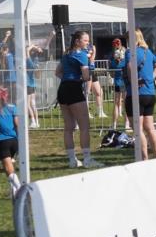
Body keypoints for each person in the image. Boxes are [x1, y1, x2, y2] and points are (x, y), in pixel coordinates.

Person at [55, 30, 102, 168]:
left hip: (63, 88)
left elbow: (57, 72)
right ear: (77, 41)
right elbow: (87, 76)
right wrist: (91, 60)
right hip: (74, 89)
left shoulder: (66, 54)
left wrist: (69, 77)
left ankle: (72, 160)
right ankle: (87, 159)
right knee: (84, 126)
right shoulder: (81, 55)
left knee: (68, 127)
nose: (88, 43)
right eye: (86, 41)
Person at [124, 29, 156, 160]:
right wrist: (150, 78)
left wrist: (132, 80)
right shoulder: (148, 51)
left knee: (138, 129)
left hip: (136, 94)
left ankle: (144, 158)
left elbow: (129, 66)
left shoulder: (130, 52)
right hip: (150, 93)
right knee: (150, 128)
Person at [0, 84, 21, 197]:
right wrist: (20, 141)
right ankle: (13, 191)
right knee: (10, 165)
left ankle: (20, 189)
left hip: (2, 142)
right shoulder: (12, 107)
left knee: (8, 169)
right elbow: (17, 125)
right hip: (14, 140)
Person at [109, 38, 131, 132]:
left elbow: (111, 73)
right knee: (126, 103)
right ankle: (126, 124)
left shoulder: (112, 57)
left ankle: (114, 125)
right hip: (125, 82)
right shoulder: (126, 55)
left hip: (117, 82)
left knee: (117, 104)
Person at [84, 43, 107, 119]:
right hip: (85, 71)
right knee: (86, 93)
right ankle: (86, 113)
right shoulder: (81, 49)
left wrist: (93, 52)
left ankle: (100, 111)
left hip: (91, 71)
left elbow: (91, 60)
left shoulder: (90, 47)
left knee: (99, 91)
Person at [25, 45, 41, 129]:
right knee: (33, 105)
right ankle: (37, 122)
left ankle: (33, 122)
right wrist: (34, 46)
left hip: (28, 85)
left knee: (28, 105)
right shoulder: (36, 61)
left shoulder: (29, 62)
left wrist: (31, 47)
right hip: (32, 84)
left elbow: (27, 51)